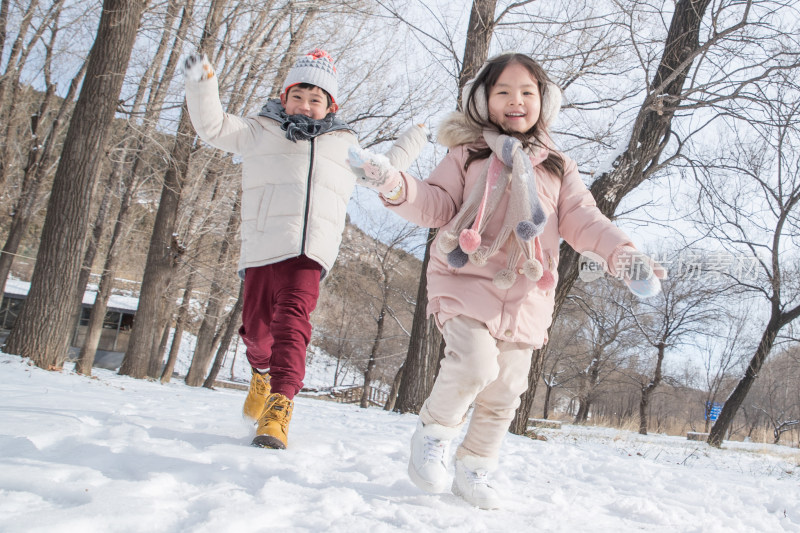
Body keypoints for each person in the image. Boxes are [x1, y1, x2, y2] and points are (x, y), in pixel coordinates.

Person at [349, 52, 665, 509]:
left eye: (526, 92)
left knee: (505, 392)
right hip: (464, 278)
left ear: (543, 102)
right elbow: (436, 203)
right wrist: (395, 186)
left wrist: (623, 254)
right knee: (475, 365)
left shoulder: (557, 165)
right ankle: (433, 435)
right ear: (484, 100)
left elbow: (584, 220)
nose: (515, 101)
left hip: (526, 293)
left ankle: (475, 466)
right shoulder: (468, 152)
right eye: (503, 92)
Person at [182, 48, 358, 450]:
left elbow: (383, 169)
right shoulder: (259, 130)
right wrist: (203, 82)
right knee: (257, 331)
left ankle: (279, 407)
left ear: (330, 106)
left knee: (293, 325)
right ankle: (260, 374)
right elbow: (211, 127)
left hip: (310, 255)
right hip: (264, 248)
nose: (306, 105)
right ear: (284, 97)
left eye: (316, 100)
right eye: (298, 96)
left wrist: (416, 137)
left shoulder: (344, 145)